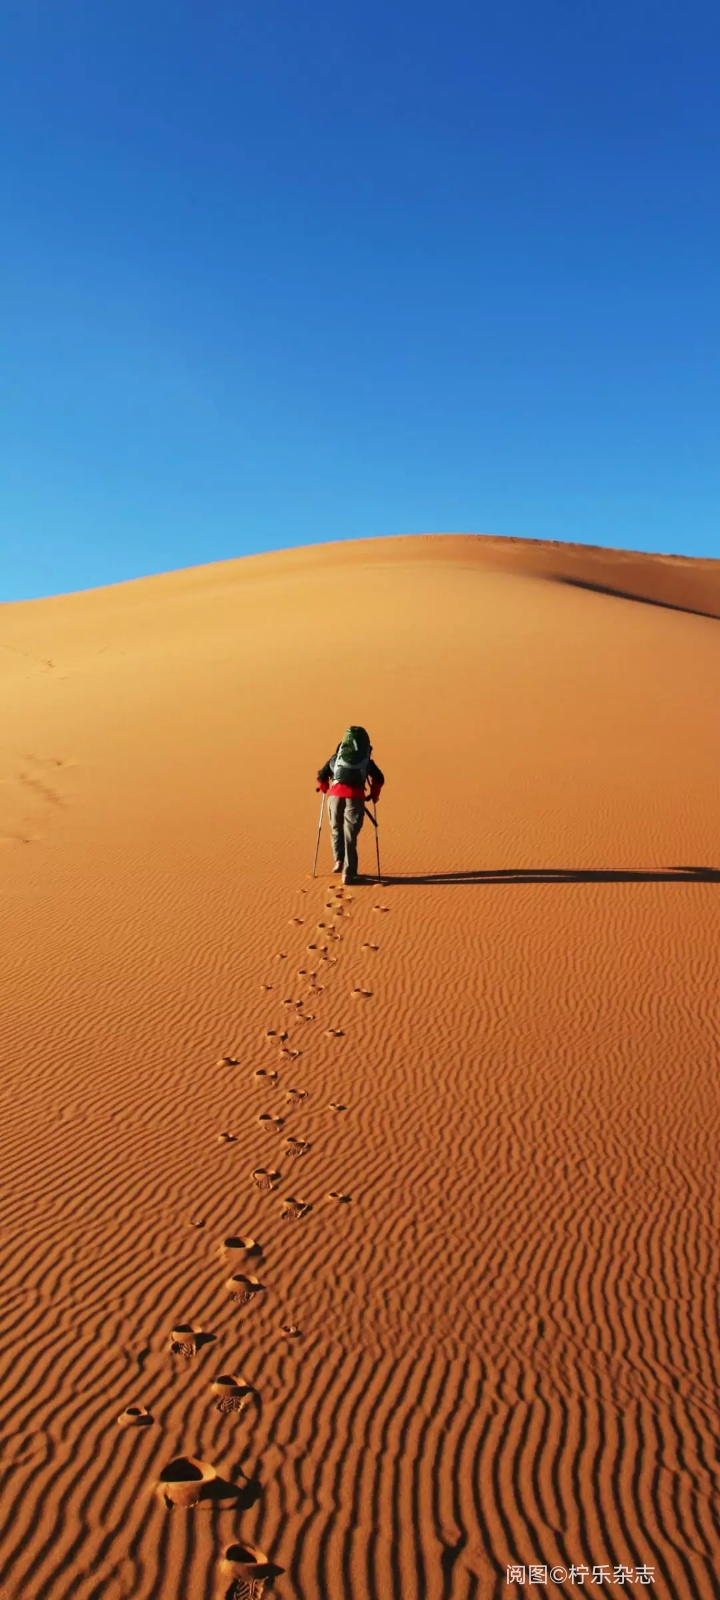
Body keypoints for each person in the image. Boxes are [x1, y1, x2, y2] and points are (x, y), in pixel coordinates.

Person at [316, 726, 384, 885]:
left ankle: (338, 860)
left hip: (334, 797)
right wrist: (374, 794)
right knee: (350, 835)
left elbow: (321, 775)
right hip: (355, 797)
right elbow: (379, 778)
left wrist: (325, 787)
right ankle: (348, 872)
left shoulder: (336, 758)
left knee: (336, 828)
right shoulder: (366, 761)